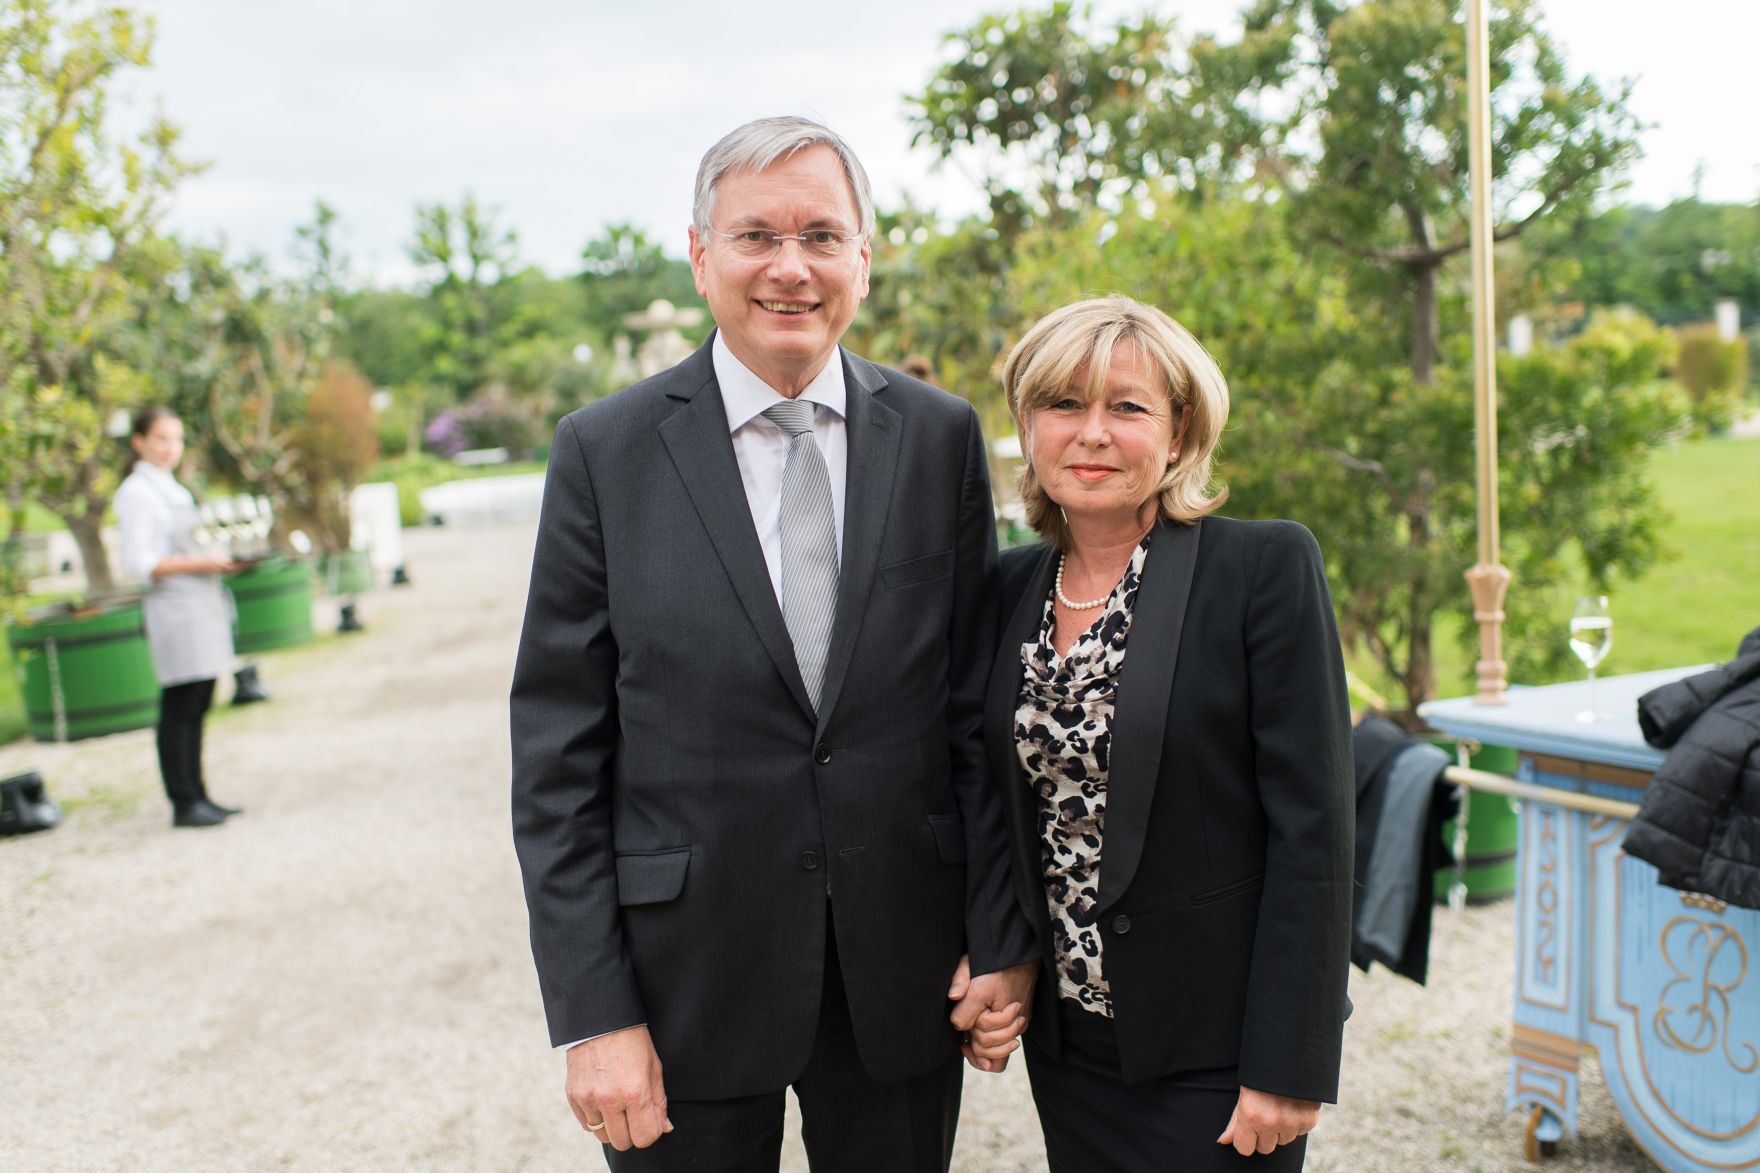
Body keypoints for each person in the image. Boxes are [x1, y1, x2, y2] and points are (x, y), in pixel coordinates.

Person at [509, 116, 1037, 1171]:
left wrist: (999, 934)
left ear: (862, 261)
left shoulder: (939, 438)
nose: (790, 267)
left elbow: (971, 717)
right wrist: (593, 1013)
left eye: (820, 236)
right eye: (755, 236)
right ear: (700, 255)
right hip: (682, 987)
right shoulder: (603, 452)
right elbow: (558, 761)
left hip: (902, 976)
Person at [969, 297, 1354, 1170]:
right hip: (1070, 1044)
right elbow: (992, 800)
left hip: (1217, 1051)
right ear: (1027, 428)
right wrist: (997, 951)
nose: (1092, 432)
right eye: (1064, 404)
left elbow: (1316, 832)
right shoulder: (1006, 587)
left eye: (1127, 406)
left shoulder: (1263, 568)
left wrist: (1289, 1062)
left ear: (1179, 434)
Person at [114, 406, 243, 829]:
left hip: (199, 604)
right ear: (139, 442)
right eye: (161, 439)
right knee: (180, 705)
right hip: (174, 608)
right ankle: (184, 802)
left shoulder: (172, 489)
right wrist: (202, 562)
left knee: (200, 700)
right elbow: (140, 562)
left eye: (177, 439)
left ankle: (200, 793)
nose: (171, 448)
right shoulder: (137, 494)